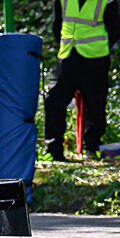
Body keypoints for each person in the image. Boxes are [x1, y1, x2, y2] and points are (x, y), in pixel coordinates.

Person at [45, 0, 120, 161]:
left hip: (95, 57)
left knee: (95, 104)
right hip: (67, 54)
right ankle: (54, 150)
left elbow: (114, 28)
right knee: (53, 100)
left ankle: (91, 148)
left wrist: (100, 48)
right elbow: (57, 24)